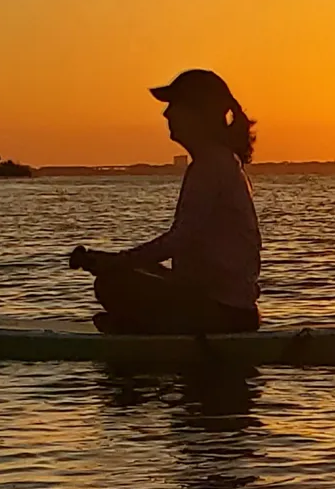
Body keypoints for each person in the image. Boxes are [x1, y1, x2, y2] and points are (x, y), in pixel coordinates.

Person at [69, 69, 261, 334]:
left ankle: (143, 330)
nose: (166, 114)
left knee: (111, 284)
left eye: (174, 105)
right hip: (219, 304)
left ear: (198, 114)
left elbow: (179, 240)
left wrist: (117, 262)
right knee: (131, 272)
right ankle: (138, 326)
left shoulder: (211, 166)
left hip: (223, 312)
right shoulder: (217, 162)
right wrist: (118, 261)